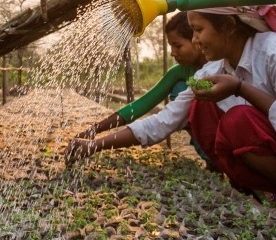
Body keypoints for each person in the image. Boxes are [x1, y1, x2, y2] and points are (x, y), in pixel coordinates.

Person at [67, 6, 276, 238]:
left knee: (239, 120)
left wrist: (242, 88)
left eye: (199, 30)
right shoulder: (215, 69)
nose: (195, 39)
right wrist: (94, 145)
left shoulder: (275, 52)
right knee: (201, 110)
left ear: (229, 26)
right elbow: (165, 120)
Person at [72, 12, 213, 163]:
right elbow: (142, 105)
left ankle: (218, 158)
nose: (172, 53)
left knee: (188, 98)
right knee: (180, 90)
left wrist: (95, 144)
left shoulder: (219, 67)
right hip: (207, 133)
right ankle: (211, 160)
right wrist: (94, 130)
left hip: (225, 131)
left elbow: (163, 122)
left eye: (177, 46)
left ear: (196, 39)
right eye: (171, 46)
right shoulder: (180, 72)